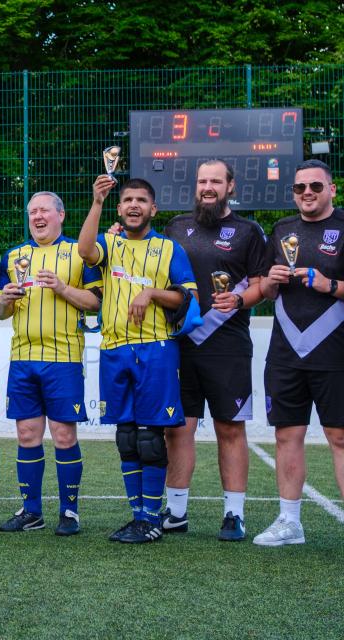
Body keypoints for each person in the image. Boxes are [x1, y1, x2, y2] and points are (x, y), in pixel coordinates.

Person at [78, 176, 197, 543]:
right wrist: (96, 202)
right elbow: (84, 252)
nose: (133, 205)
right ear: (119, 207)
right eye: (127, 199)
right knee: (127, 437)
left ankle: (151, 518)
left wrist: (151, 293)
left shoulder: (169, 248)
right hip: (114, 349)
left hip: (156, 348)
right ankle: (137, 517)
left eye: (141, 200)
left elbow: (187, 298)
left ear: (153, 209)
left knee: (150, 437)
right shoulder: (108, 242)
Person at [162, 160, 268, 541]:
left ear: (230, 187)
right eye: (202, 181)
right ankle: (175, 512)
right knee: (178, 429)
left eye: (215, 181)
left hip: (228, 346)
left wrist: (239, 303)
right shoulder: (175, 227)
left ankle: (234, 514)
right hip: (181, 344)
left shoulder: (249, 231)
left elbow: (263, 286)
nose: (208, 187)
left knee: (230, 428)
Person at [0, 192, 102, 536]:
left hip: (63, 359)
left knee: (64, 435)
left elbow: (95, 302)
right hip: (23, 359)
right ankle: (31, 511)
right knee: (27, 435)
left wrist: (62, 287)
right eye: (32, 211)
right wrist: (5, 301)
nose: (37, 216)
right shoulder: (14, 256)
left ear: (60, 215)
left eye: (43, 210)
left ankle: (70, 512)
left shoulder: (79, 253)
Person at [255, 159, 344, 546]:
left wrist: (330, 284)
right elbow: (264, 289)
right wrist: (271, 282)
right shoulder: (282, 229)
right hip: (286, 350)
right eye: (299, 188)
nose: (306, 193)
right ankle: (290, 522)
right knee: (286, 435)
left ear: (331, 190)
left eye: (315, 187)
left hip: (334, 352)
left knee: (339, 437)